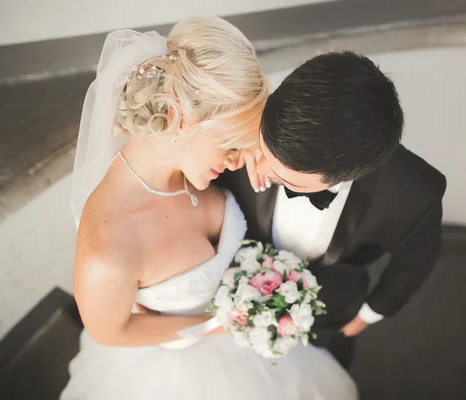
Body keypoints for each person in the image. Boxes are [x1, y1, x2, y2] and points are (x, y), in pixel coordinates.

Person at [61, 17, 358, 400]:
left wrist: (256, 145)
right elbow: (109, 332)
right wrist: (217, 324)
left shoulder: (196, 162)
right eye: (230, 142)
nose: (237, 160)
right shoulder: (107, 243)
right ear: (179, 121)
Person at [219, 51, 447, 368]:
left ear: (349, 175)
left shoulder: (414, 193)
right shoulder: (241, 125)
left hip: (331, 320)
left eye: (282, 178)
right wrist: (244, 142)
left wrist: (367, 316)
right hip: (229, 307)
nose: (263, 172)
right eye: (264, 151)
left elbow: (415, 262)